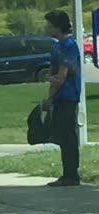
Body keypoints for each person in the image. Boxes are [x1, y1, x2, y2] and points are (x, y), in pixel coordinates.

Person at [43, 10, 81, 187]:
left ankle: (72, 175)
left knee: (68, 136)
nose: (47, 28)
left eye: (50, 25)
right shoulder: (56, 46)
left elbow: (61, 76)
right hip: (58, 97)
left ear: (58, 26)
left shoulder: (69, 46)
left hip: (69, 96)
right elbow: (53, 75)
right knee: (61, 136)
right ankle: (66, 174)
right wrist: (49, 98)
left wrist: (51, 79)